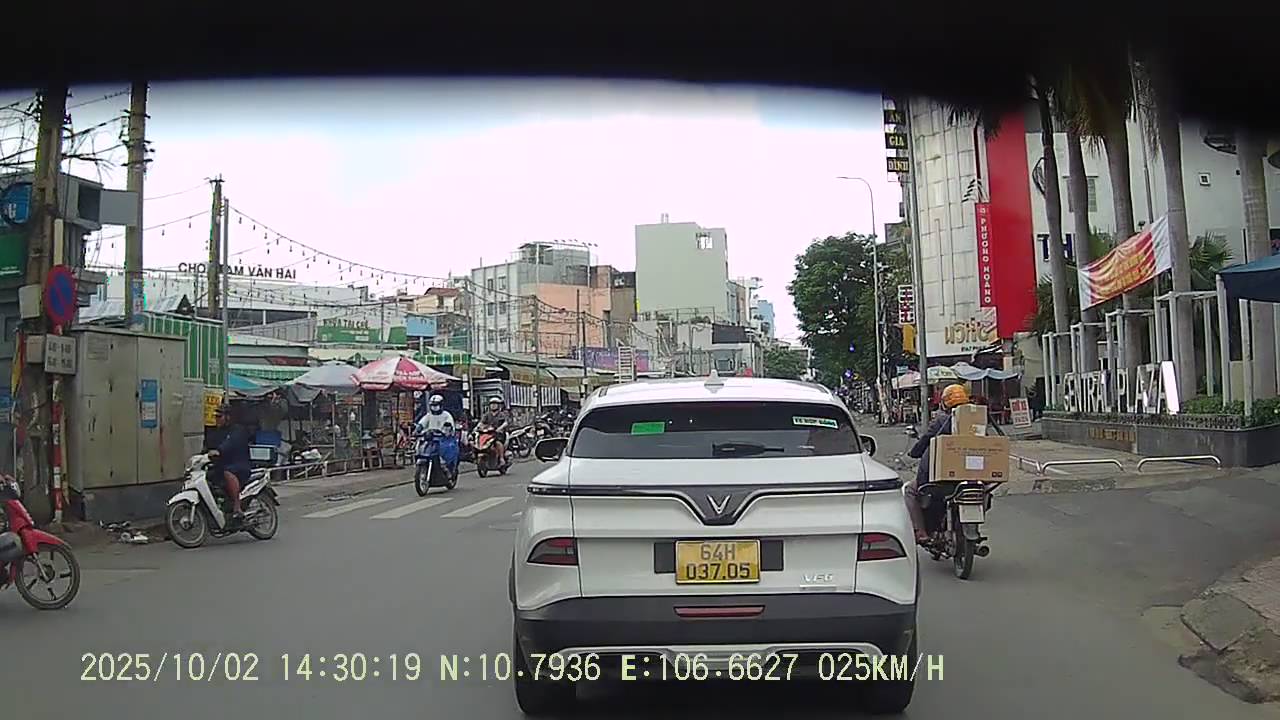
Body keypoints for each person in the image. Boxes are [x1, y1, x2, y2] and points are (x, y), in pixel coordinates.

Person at [904, 383, 971, 544]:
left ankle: (921, 532)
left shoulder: (940, 420)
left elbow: (925, 440)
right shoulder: (975, 419)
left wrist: (914, 452)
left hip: (942, 476)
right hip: (971, 476)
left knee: (910, 490)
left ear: (944, 403)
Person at [207, 404, 253, 524]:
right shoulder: (216, 432)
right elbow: (209, 446)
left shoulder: (238, 430)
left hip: (239, 465)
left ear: (228, 417)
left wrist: (219, 450)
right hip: (221, 465)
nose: (217, 419)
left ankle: (237, 506)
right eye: (216, 416)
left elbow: (231, 443)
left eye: (219, 416)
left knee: (228, 472)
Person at [480, 396, 511, 465]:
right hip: (488, 434)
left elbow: (506, 423)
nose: (493, 406)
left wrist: (500, 428)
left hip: (498, 434)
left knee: (498, 443)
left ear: (498, 405)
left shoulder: (502, 414)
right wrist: (479, 427)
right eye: (492, 404)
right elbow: (481, 423)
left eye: (495, 404)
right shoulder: (487, 414)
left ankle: (501, 458)